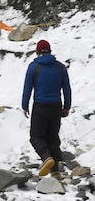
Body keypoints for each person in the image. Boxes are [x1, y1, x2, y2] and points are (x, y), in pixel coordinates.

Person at [22, 39, 71, 177]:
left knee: (36, 136)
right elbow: (66, 88)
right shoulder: (60, 67)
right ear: (50, 51)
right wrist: (67, 106)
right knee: (52, 138)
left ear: (38, 52)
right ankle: (55, 172)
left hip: (40, 106)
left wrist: (24, 105)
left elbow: (27, 88)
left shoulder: (34, 66)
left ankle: (46, 157)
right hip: (56, 106)